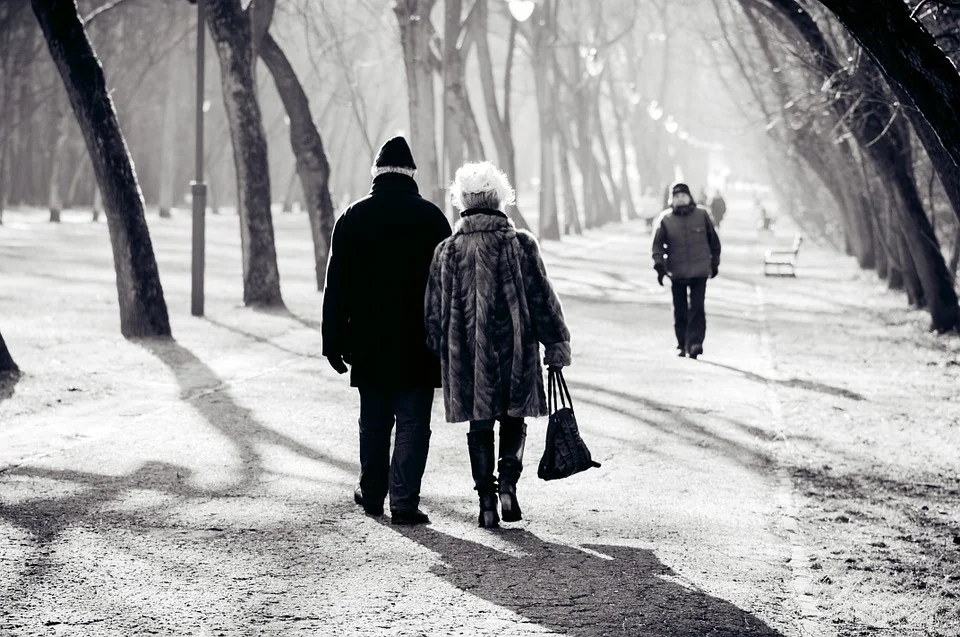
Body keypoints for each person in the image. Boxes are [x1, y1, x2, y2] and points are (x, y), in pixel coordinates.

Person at [425, 161, 571, 529]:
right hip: (515, 351)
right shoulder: (521, 244)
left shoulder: (447, 250)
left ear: (463, 202)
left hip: (468, 356)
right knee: (514, 417)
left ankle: (486, 501)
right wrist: (556, 342)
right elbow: (542, 299)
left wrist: (438, 349)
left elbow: (434, 311)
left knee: (479, 424)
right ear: (499, 200)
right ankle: (508, 482)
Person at [322, 136, 452, 526]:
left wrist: (333, 341)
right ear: (412, 174)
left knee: (374, 421)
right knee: (414, 423)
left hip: (369, 340)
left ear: (376, 173)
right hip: (419, 341)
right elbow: (447, 286)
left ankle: (373, 493)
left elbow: (336, 285)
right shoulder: (432, 218)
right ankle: (405, 503)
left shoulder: (353, 216)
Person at [652, 182, 722, 360]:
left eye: (683, 195)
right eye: (676, 196)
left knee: (697, 307)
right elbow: (657, 246)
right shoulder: (665, 219)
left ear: (689, 197)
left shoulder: (702, 214)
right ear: (671, 199)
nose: (680, 199)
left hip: (699, 270)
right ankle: (682, 343)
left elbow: (713, 241)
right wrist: (659, 267)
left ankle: (695, 343)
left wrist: (715, 263)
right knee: (680, 308)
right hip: (677, 271)